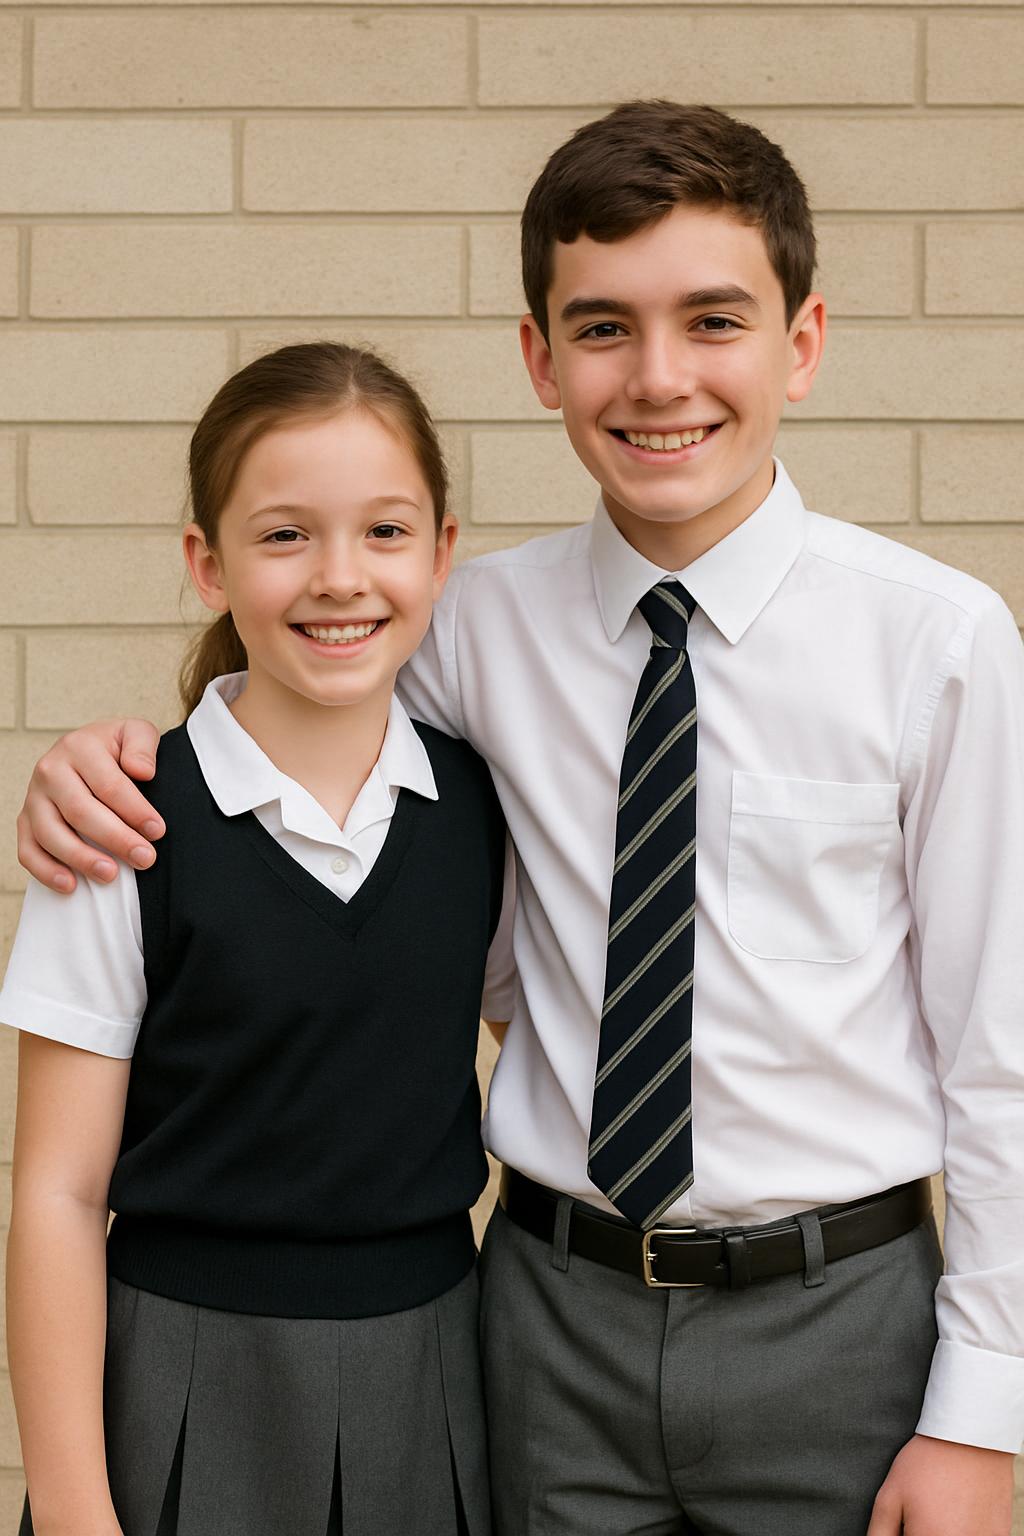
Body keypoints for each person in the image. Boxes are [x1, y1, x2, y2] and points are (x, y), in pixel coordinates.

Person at [15, 101, 1024, 1536]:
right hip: (546, 1321)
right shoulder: (468, 628)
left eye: (714, 320)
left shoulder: (939, 645)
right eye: (604, 327)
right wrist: (100, 765)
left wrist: (980, 1414)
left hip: (843, 1324)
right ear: (541, 360)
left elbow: (1005, 1052)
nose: (660, 376)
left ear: (802, 343)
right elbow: (291, 701)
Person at [2, 341, 509, 1536]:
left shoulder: (485, 809)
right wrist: (75, 1508)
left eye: (385, 533)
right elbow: (59, 1196)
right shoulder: (122, 829)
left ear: (442, 554)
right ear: (207, 563)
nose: (340, 576)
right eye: (284, 535)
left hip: (432, 1374)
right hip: (177, 1377)